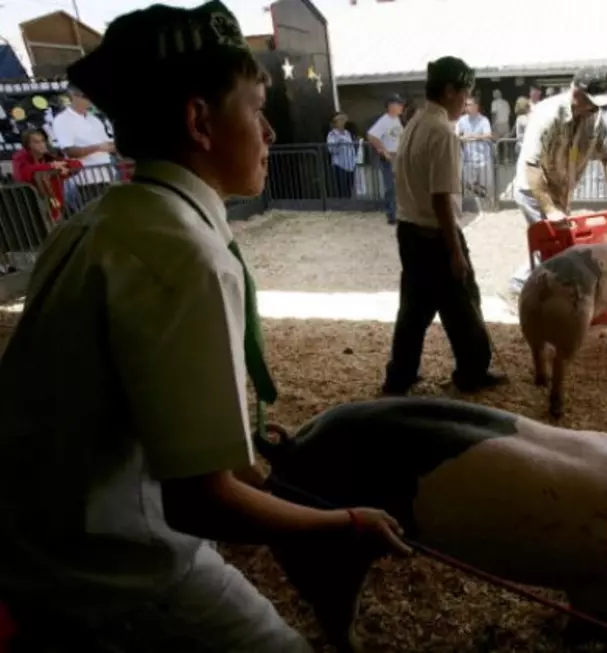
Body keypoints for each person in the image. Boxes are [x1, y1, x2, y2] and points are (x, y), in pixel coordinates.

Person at [0, 3, 410, 652]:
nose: (271, 131)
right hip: (114, 570)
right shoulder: (184, 251)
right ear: (199, 121)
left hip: (35, 543)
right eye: (254, 107)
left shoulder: (95, 222)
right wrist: (341, 523)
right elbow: (197, 502)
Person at [382, 56, 506, 396]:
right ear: (449, 90)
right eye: (464, 93)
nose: (465, 101)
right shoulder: (443, 133)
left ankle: (399, 377)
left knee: (414, 310)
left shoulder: (415, 123)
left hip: (409, 231)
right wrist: (455, 250)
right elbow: (441, 199)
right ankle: (471, 372)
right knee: (464, 304)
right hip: (436, 234)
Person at [507, 67, 607, 292]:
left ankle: (528, 283)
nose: (595, 108)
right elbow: (531, 165)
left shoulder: (594, 118)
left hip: (561, 189)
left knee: (557, 243)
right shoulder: (547, 114)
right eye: (592, 102)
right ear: (576, 93)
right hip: (534, 189)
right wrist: (549, 208)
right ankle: (522, 285)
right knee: (553, 243)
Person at [52, 85, 117, 215]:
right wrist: (98, 147)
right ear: (74, 96)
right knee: (96, 216)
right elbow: (69, 151)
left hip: (108, 175)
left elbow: (106, 143)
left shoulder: (94, 119)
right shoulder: (62, 120)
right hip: (86, 180)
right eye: (86, 96)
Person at [367, 94, 406, 224]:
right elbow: (372, 135)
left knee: (398, 186)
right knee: (391, 186)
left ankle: (398, 212)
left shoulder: (396, 120)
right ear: (391, 106)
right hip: (390, 156)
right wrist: (383, 150)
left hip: (397, 155)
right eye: (399, 104)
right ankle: (392, 214)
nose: (402, 107)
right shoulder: (385, 120)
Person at [455, 95, 494, 198]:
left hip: (483, 158)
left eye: (468, 105)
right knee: (467, 182)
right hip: (469, 158)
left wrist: (473, 136)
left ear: (476, 106)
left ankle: (485, 201)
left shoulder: (483, 120)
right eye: (465, 105)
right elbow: (456, 135)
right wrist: (461, 138)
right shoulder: (462, 120)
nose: (466, 107)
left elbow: (488, 135)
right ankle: (478, 198)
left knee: (484, 183)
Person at [326, 111, 357, 199]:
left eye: (343, 120)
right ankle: (343, 206)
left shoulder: (347, 133)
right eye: (340, 120)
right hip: (340, 164)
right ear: (335, 122)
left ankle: (349, 204)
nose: (342, 122)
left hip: (350, 164)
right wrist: (339, 142)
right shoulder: (332, 134)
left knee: (349, 186)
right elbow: (331, 149)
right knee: (342, 187)